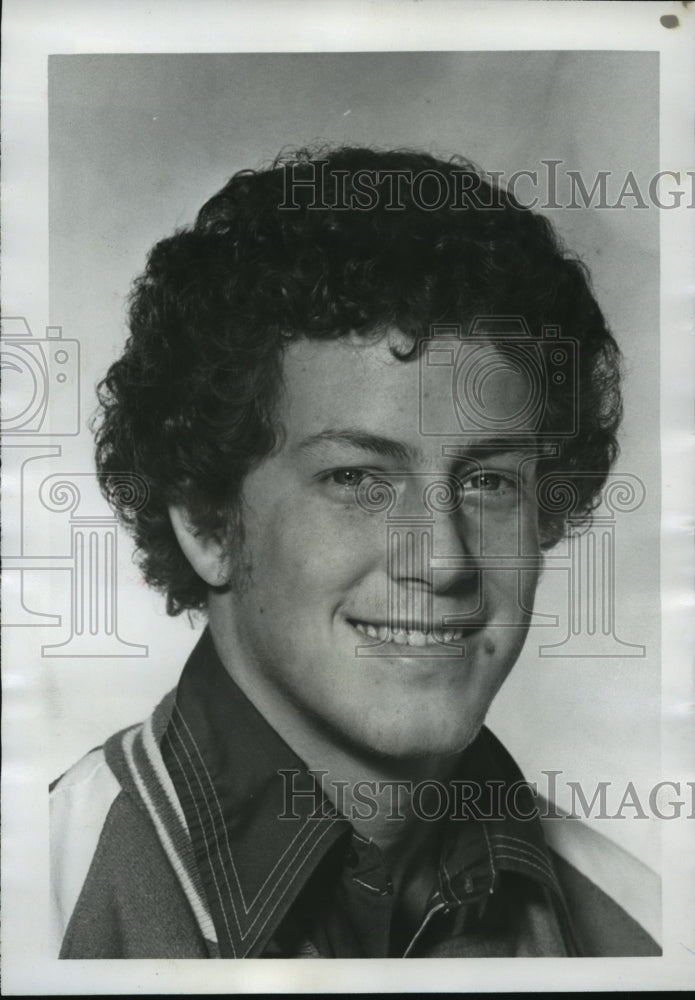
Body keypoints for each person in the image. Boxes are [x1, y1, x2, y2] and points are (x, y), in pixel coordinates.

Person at [49, 146, 659, 959]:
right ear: (205, 521)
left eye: (488, 481)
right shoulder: (37, 904)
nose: (442, 562)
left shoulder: (648, 929)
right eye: (356, 478)